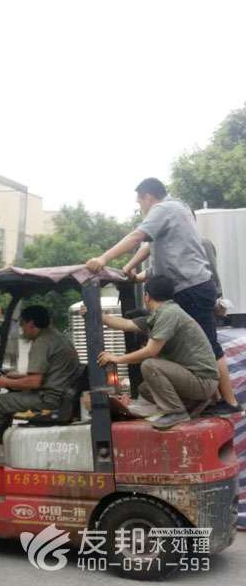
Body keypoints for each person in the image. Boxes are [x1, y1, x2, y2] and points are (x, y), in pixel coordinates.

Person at [85, 177, 238, 414]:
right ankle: (212, 400)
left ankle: (229, 402)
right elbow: (151, 249)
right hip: (190, 287)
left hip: (192, 288)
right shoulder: (179, 210)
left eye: (140, 202)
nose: (140, 207)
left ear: (148, 197)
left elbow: (137, 237)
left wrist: (103, 258)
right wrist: (130, 270)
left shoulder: (164, 209)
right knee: (192, 344)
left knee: (209, 345)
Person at [95, 275, 219, 429]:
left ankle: (176, 412)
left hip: (202, 381)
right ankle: (191, 405)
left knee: (150, 366)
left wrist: (116, 359)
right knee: (145, 389)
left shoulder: (168, 314)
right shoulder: (161, 314)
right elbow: (126, 324)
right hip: (197, 380)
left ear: (146, 296)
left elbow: (150, 351)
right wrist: (95, 314)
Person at [0, 305, 80, 452]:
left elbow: (34, 382)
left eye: (22, 324)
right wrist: (15, 377)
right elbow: (48, 374)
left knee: (1, 402)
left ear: (31, 323)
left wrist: (4, 382)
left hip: (49, 398)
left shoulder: (42, 343)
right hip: (60, 394)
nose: (22, 329)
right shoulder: (56, 337)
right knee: (11, 397)